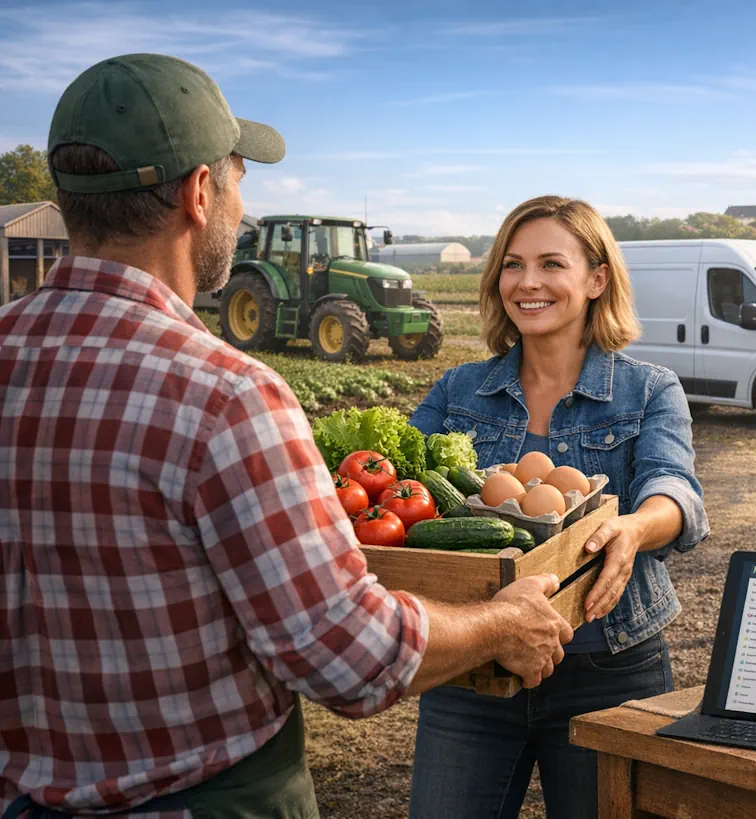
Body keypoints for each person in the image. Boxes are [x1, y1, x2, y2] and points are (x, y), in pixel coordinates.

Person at [0, 54, 571, 819]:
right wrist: (502, 620)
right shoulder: (223, 395)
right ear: (201, 194)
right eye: (239, 179)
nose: (242, 203)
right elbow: (347, 655)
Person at [408, 195, 710, 819]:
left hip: (610, 667)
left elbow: (675, 493)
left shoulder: (649, 389)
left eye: (551, 264)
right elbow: (401, 498)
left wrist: (630, 527)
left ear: (597, 279)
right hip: (474, 668)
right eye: (513, 265)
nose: (528, 283)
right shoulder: (458, 391)